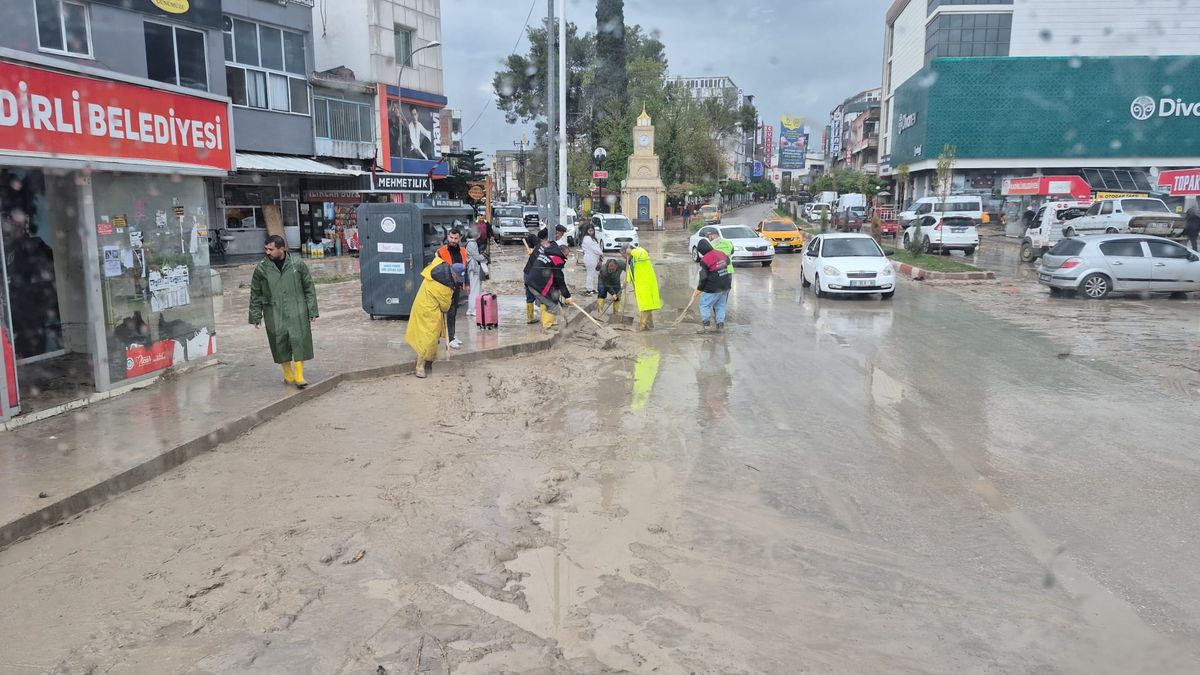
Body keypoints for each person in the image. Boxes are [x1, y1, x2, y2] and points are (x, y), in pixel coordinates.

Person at [248, 235, 319, 388]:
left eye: (271, 249)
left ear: (282, 249)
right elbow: (255, 293)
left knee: (299, 340)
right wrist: (255, 315)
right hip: (273, 310)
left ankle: (299, 375)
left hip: (297, 309)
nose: (267, 252)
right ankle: (288, 374)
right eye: (266, 249)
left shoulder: (297, 264)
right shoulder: (261, 268)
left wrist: (312, 309)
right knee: (279, 342)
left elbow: (309, 287)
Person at [406, 260, 465, 378]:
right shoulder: (444, 288)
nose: (457, 281)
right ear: (453, 274)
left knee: (429, 337)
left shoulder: (437, 268)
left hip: (420, 305)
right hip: (428, 312)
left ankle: (429, 359)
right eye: (457, 278)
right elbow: (445, 307)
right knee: (428, 338)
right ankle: (420, 366)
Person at [527, 232, 574, 331]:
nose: (567, 257)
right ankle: (546, 328)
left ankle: (549, 322)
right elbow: (560, 280)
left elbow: (553, 277)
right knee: (553, 306)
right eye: (566, 255)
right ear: (562, 252)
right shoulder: (557, 260)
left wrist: (560, 292)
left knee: (550, 302)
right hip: (538, 286)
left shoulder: (547, 253)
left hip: (532, 282)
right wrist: (567, 296)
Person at [436, 227, 469, 349]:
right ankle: (448, 338)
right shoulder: (440, 252)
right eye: (451, 237)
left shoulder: (463, 251)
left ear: (459, 238)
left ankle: (452, 335)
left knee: (453, 312)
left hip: (456, 286)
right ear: (447, 237)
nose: (453, 240)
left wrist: (466, 283)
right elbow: (436, 270)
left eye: (455, 238)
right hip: (445, 287)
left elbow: (465, 269)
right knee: (447, 312)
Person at [692, 238, 732, 332]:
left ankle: (706, 326)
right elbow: (728, 263)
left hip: (713, 288)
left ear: (701, 250)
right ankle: (720, 326)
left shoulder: (705, 260)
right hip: (726, 285)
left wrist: (699, 289)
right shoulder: (721, 253)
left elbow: (703, 278)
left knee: (704, 305)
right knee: (720, 306)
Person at [622, 243, 662, 331]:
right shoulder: (631, 262)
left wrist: (631, 251)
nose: (623, 257)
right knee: (646, 306)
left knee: (645, 306)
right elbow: (630, 273)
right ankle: (649, 324)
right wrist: (625, 282)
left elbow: (642, 253)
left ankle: (642, 326)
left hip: (646, 284)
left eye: (623, 255)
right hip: (639, 286)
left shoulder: (639, 253)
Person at [465, 225, 488, 317]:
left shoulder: (469, 243)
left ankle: (472, 308)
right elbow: (477, 257)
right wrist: (484, 257)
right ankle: (472, 309)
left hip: (472, 268)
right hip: (473, 269)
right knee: (475, 290)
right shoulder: (472, 243)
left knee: (474, 289)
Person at [581, 223, 603, 295]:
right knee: (590, 274)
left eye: (592, 231)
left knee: (591, 274)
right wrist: (601, 253)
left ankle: (591, 289)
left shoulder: (591, 238)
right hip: (590, 258)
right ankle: (589, 290)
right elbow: (595, 249)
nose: (591, 232)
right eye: (589, 231)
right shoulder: (587, 239)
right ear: (586, 231)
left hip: (592, 258)